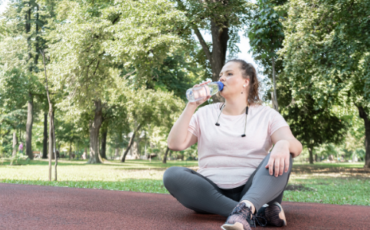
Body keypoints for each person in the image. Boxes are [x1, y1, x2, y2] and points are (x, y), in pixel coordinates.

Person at [163, 59, 302, 230]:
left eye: (229, 74)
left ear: (246, 81)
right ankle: (253, 213)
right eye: (220, 75)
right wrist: (191, 105)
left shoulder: (267, 115)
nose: (221, 78)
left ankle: (249, 205)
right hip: (210, 193)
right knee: (172, 174)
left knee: (284, 153)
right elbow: (175, 144)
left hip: (254, 188)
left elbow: (296, 145)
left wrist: (282, 144)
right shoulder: (204, 113)